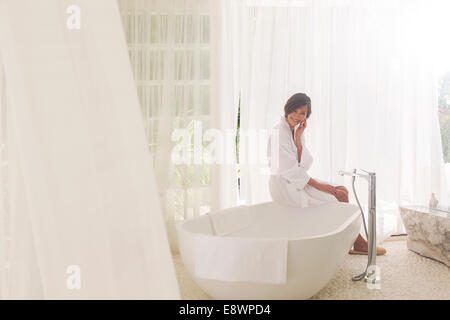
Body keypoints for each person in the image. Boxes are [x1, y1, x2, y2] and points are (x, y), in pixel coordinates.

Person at [267, 93, 386, 255]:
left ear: (306, 117)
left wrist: (299, 140)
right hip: (286, 187)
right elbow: (291, 171)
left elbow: (304, 164)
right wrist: (321, 186)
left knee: (342, 190)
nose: (297, 116)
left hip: (297, 181)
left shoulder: (295, 131)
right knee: (337, 196)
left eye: (302, 113)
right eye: (294, 110)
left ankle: (355, 241)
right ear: (287, 109)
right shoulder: (278, 133)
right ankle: (358, 243)